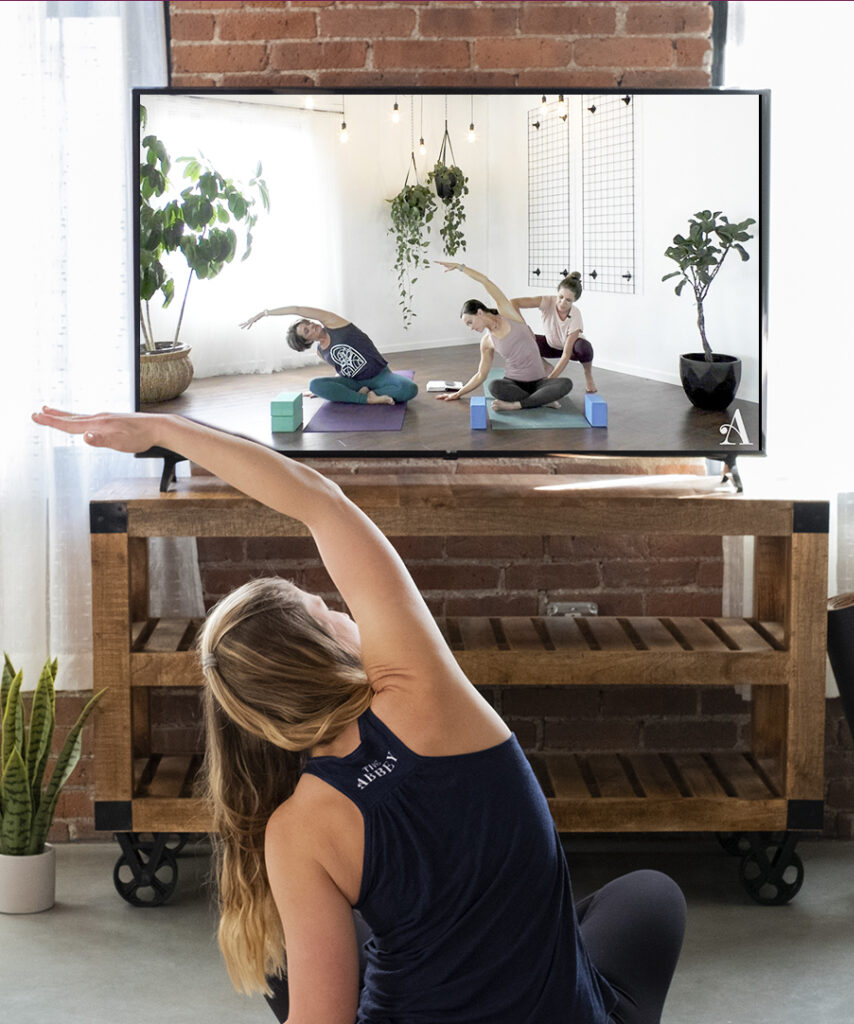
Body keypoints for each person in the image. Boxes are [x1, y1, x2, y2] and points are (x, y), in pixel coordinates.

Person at [32, 406, 686, 1024]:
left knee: (288, 956)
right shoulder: (421, 692)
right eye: (325, 609)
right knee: (649, 894)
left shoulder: (296, 827)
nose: (345, 611)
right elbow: (320, 501)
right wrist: (164, 429)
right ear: (323, 645)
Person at [434, 261, 575, 412]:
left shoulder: (508, 313)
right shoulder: (487, 341)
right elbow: (481, 374)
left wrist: (460, 267)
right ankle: (539, 399)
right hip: (514, 384)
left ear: (480, 312)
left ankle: (518, 404)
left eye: (470, 322)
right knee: (494, 386)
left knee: (566, 384)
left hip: (539, 382)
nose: (471, 328)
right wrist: (458, 393)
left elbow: (485, 281)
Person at [240, 304, 418, 406]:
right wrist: (326, 388)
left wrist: (265, 313)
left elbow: (297, 309)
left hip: (379, 375)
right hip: (355, 382)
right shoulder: (321, 352)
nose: (312, 326)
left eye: (308, 323)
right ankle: (367, 399)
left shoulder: (333, 323)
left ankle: (364, 394)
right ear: (307, 341)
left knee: (409, 389)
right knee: (314, 385)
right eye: (307, 331)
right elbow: (341, 370)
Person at [512, 272, 598, 393]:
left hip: (572, 350)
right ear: (557, 293)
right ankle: (546, 367)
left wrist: (550, 380)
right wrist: (524, 327)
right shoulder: (547, 301)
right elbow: (513, 303)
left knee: (584, 348)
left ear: (574, 300)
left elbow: (566, 354)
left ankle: (588, 377)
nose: (563, 302)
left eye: (568, 300)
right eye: (561, 297)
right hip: (551, 345)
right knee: (521, 341)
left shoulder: (576, 314)